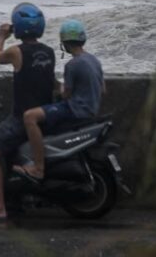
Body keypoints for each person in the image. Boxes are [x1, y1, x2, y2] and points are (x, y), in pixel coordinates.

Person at [0, 2, 56, 221]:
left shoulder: (15, 52)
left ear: (17, 27)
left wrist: (2, 35)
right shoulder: (49, 52)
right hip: (45, 113)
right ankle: (18, 198)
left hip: (22, 118)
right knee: (11, 154)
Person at [15, 19, 106, 181]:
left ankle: (38, 168)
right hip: (92, 109)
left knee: (30, 117)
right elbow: (103, 88)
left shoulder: (72, 65)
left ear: (64, 43)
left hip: (76, 110)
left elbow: (66, 96)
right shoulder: (94, 60)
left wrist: (58, 87)